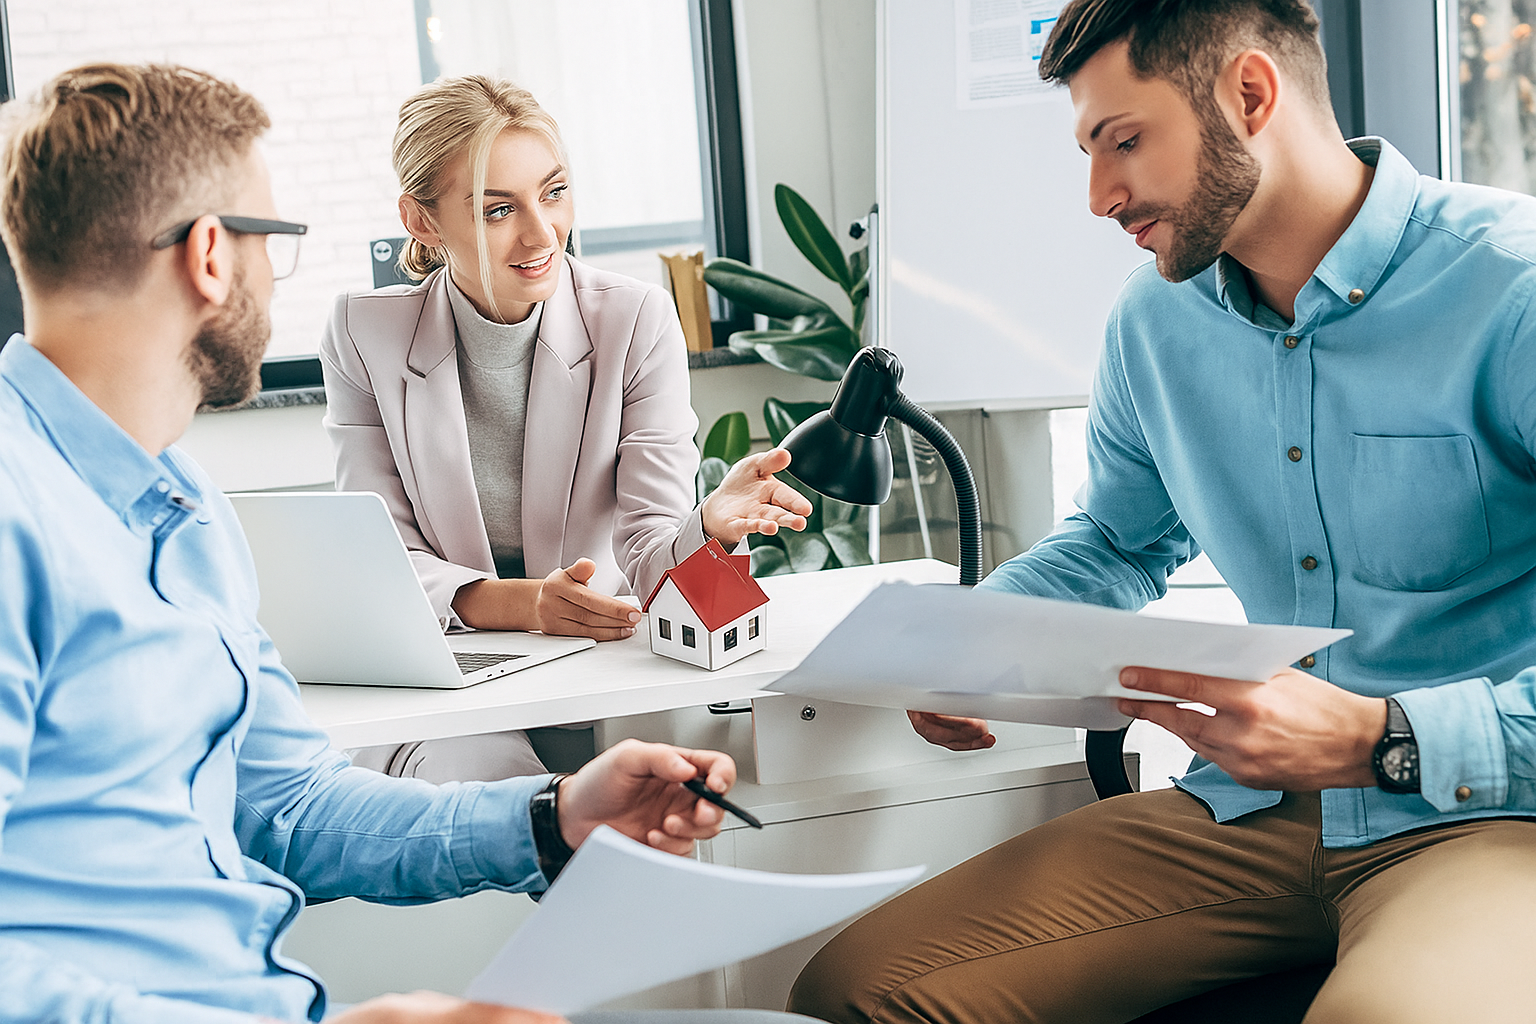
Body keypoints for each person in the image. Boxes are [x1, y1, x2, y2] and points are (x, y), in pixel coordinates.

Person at [0, 61, 818, 1024]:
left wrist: (553, 817)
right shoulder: (23, 521)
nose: (277, 274)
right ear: (214, 255)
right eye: (277, 238)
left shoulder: (184, 510)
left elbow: (292, 809)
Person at [788, 1, 1536, 1022]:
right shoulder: (1154, 324)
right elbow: (1116, 541)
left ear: (1250, 94)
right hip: (1253, 808)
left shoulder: (1514, 290)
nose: (1100, 196)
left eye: (1124, 142)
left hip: (1486, 812)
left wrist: (1380, 736)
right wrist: (974, 637)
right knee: (857, 992)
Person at [319, 75, 811, 782]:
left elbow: (648, 552)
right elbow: (384, 559)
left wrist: (710, 522)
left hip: (596, 678)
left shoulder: (634, 318)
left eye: (554, 193)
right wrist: (525, 605)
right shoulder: (362, 331)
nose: (542, 232)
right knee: (495, 789)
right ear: (422, 222)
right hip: (451, 680)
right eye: (497, 209)